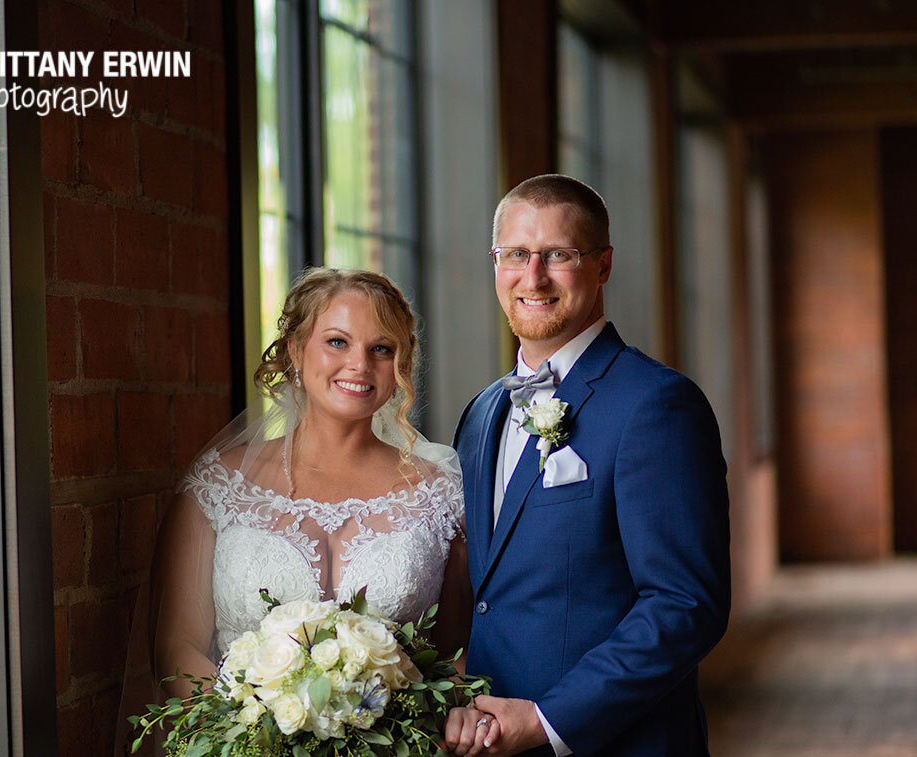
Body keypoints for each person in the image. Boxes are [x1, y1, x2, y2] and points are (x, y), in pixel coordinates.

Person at [116, 268, 471, 754]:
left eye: (381, 349)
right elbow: (175, 649)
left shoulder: (440, 494)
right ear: (294, 351)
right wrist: (257, 734)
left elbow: (454, 654)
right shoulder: (219, 486)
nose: (360, 365)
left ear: (401, 365)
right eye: (337, 342)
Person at [444, 175, 731, 757]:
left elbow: (684, 605)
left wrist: (549, 721)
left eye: (560, 255)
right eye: (517, 254)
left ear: (602, 265)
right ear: (495, 262)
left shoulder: (657, 405)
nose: (534, 276)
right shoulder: (480, 414)